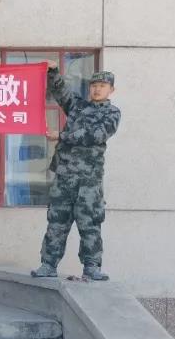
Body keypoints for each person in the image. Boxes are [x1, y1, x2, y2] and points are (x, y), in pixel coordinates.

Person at [32, 66, 121, 281]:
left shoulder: (112, 113)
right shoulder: (78, 106)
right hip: (64, 178)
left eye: (102, 86)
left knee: (90, 224)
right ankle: (48, 264)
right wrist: (52, 72)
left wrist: (62, 136)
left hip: (88, 181)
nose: (97, 89)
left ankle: (91, 267)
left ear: (111, 89)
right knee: (56, 222)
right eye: (94, 85)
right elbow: (61, 92)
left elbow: (95, 135)